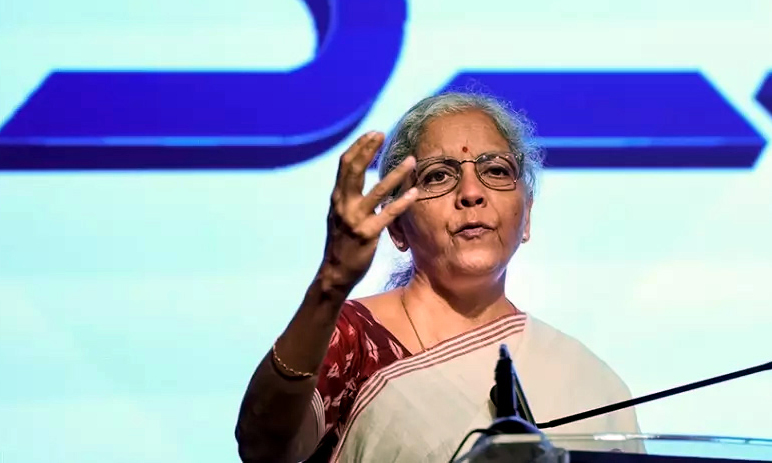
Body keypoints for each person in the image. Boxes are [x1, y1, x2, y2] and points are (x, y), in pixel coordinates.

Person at [235, 91, 641, 463]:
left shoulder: (587, 379)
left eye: (496, 170)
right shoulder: (355, 340)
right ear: (397, 226)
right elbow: (264, 447)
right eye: (438, 176)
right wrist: (331, 282)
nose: (471, 193)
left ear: (527, 215)